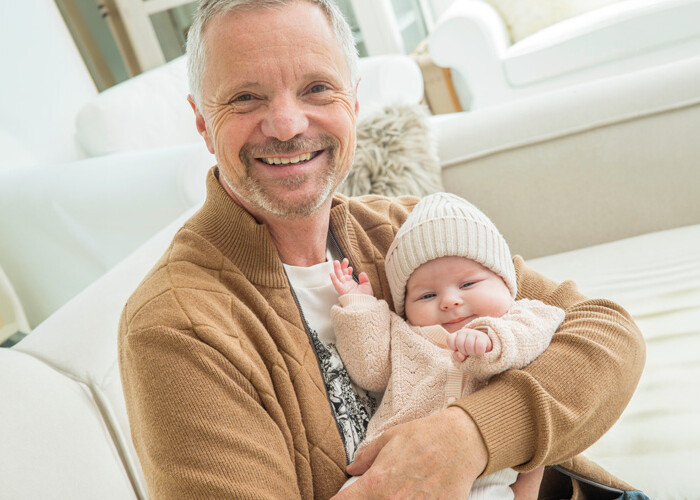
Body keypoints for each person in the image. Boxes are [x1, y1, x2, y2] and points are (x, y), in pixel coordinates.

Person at [118, 1, 646, 498]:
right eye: (245, 97)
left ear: (354, 100)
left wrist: (467, 440)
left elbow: (608, 336)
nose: (287, 124)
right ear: (201, 122)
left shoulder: (404, 228)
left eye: (317, 88)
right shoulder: (174, 327)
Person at [330, 192, 566, 499]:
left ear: (506, 283)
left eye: (468, 284)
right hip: (389, 470)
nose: (449, 301)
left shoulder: (525, 315)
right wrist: (360, 306)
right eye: (427, 295)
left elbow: (538, 333)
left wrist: (490, 338)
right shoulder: (406, 334)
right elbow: (370, 371)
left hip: (485, 478)